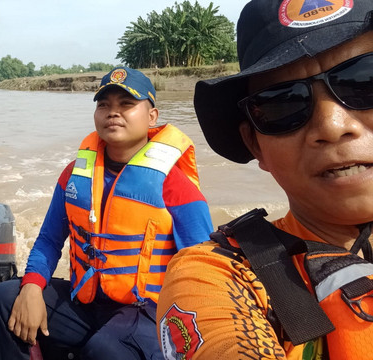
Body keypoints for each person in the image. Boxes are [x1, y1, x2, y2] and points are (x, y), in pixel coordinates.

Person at [156, 1, 373, 359]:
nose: (332, 127)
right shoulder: (220, 274)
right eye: (282, 105)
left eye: (363, 81)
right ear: (254, 143)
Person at [0, 66, 213, 359]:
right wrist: (31, 288)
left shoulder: (174, 184)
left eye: (126, 105)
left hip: (148, 312)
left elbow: (202, 267)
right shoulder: (74, 175)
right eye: (104, 105)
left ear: (152, 116)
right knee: (3, 300)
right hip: (88, 304)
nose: (112, 113)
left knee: (104, 349)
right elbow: (49, 240)